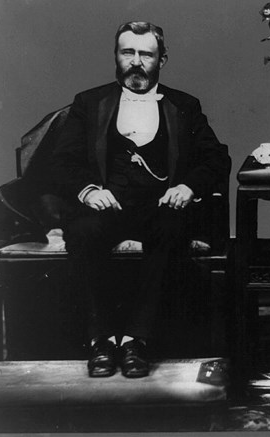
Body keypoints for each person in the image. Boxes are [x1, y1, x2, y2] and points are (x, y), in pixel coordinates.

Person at [50, 21, 231, 378]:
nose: (136, 62)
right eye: (127, 52)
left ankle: (135, 340)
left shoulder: (185, 105)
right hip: (106, 205)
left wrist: (187, 188)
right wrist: (89, 190)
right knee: (84, 231)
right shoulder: (89, 102)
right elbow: (62, 161)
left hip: (158, 207)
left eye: (145, 54)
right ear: (116, 56)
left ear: (162, 58)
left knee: (171, 228)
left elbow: (216, 157)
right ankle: (100, 341)